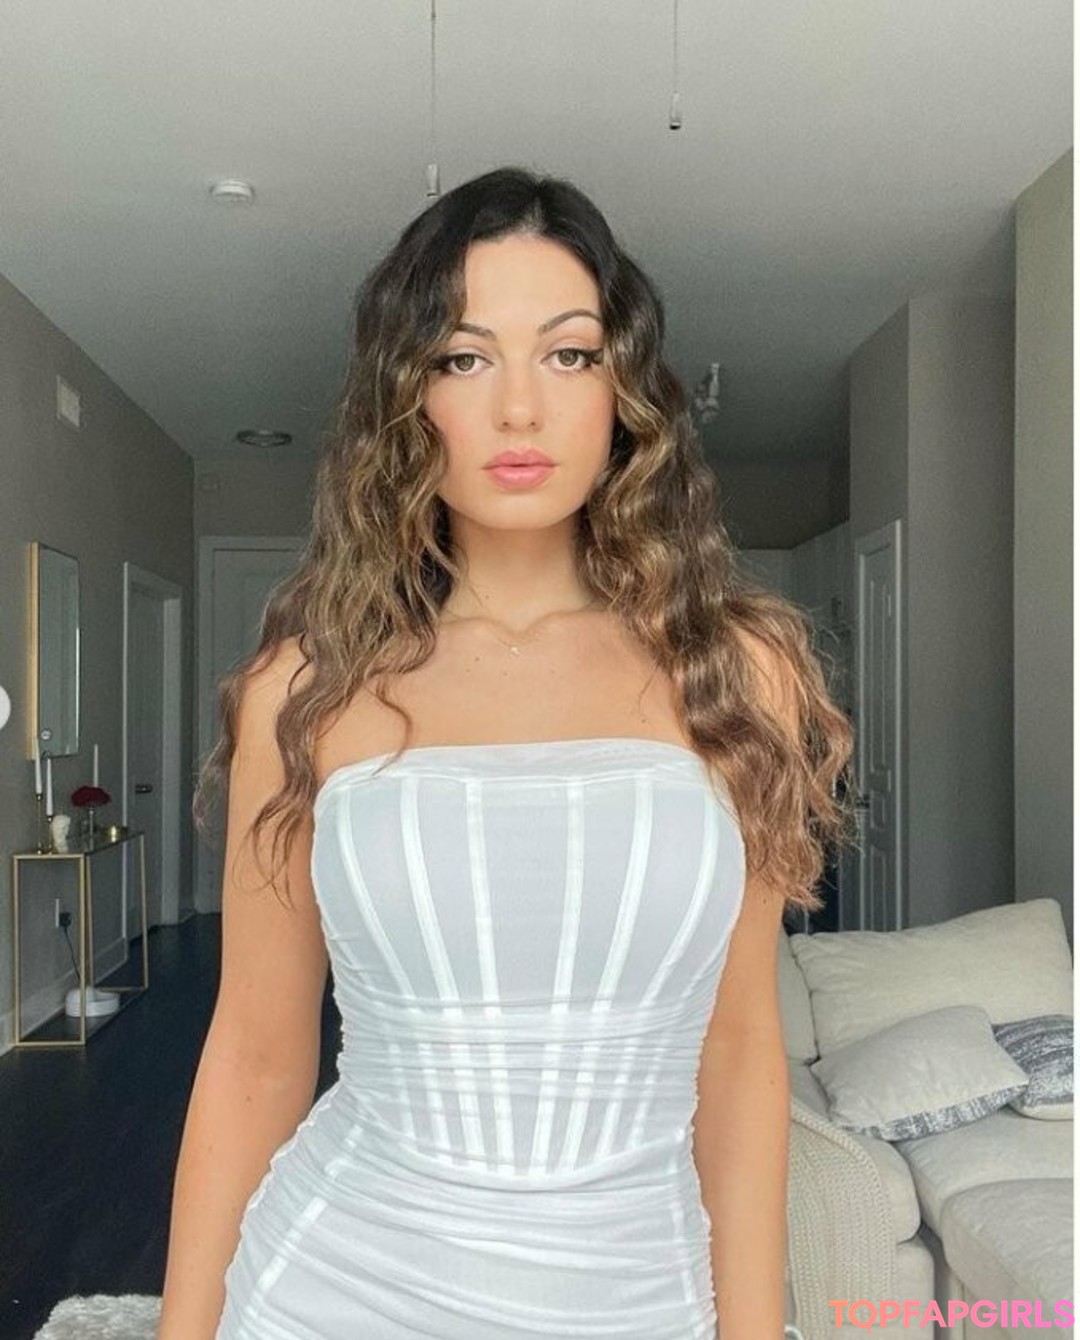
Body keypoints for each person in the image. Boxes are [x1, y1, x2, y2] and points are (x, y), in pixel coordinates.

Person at [157, 166, 853, 1340]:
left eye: (569, 353)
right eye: (464, 357)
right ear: (406, 397)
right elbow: (256, 1054)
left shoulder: (738, 675)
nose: (520, 407)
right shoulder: (308, 690)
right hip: (333, 1291)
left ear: (624, 390)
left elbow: (740, 1050)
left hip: (641, 1298)